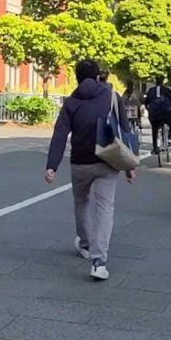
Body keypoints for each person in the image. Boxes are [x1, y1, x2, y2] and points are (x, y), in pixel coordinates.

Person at [45, 60, 135, 281]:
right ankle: (98, 261)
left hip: (80, 163)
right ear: (98, 77)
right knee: (105, 208)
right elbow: (124, 130)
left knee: (82, 202)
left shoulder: (71, 102)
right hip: (107, 161)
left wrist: (51, 166)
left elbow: (59, 134)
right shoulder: (112, 97)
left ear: (76, 78)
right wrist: (130, 166)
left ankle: (84, 244)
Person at [144, 76, 171, 152]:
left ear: (155, 82)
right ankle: (170, 139)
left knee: (154, 129)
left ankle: (155, 147)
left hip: (154, 114)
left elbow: (146, 102)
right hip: (167, 113)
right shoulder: (167, 90)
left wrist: (149, 110)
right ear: (163, 82)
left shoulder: (151, 90)